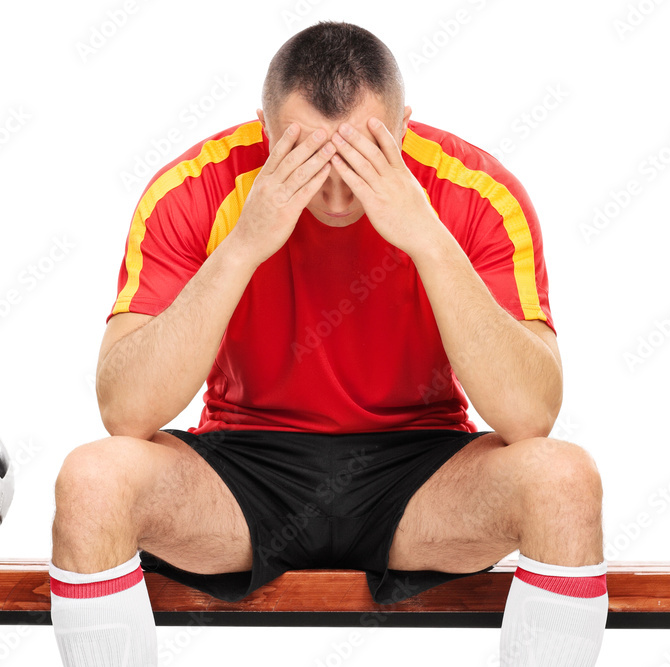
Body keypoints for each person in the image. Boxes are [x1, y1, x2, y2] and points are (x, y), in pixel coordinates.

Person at [50, 21, 606, 667]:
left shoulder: (476, 191)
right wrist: (244, 245)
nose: (339, 196)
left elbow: (529, 416)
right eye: (308, 159)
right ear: (265, 130)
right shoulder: (194, 188)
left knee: (565, 480)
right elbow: (126, 411)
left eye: (367, 157)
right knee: (91, 479)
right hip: (243, 469)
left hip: (421, 472)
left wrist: (426, 238)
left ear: (403, 130)